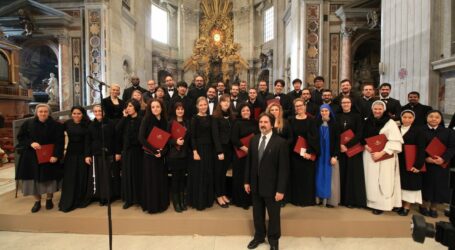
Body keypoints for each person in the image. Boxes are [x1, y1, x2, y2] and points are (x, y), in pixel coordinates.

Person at [244, 113, 289, 250]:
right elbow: (249, 162)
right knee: (257, 213)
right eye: (261, 122)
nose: (262, 124)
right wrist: (247, 181)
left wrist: (281, 190)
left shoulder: (281, 142)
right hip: (255, 185)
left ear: (272, 124)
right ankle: (259, 236)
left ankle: (274, 240)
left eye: (266, 122)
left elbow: (284, 169)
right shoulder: (254, 140)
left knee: (274, 215)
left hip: (273, 187)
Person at [16, 104, 64, 213]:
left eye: (45, 111)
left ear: (49, 113)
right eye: (40, 111)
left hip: (49, 156)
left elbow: (59, 142)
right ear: (36, 113)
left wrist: (56, 155)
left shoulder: (56, 125)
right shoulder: (28, 124)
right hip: (31, 157)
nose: (43, 113)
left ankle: (49, 199)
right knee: (33, 181)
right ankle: (37, 201)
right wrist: (31, 143)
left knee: (49, 180)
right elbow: (21, 137)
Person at [362, 100, 403, 215]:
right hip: (369, 155)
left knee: (384, 180)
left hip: (385, 156)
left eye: (380, 109)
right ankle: (370, 202)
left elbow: (395, 141)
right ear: (372, 109)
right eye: (375, 109)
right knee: (370, 178)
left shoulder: (390, 123)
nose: (377, 111)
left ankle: (381, 205)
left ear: (384, 110)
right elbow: (362, 136)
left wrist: (382, 152)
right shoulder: (367, 121)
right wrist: (366, 146)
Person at [420, 110, 455, 218]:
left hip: (441, 164)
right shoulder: (420, 130)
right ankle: (424, 205)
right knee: (426, 184)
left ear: (440, 119)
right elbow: (418, 147)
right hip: (426, 163)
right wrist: (426, 158)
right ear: (426, 118)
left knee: (438, 185)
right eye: (431, 116)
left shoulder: (448, 132)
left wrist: (443, 158)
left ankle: (434, 207)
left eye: (437, 117)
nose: (433, 119)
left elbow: (452, 147)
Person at [85, 105, 121, 206]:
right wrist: (87, 155)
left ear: (104, 112)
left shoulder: (111, 123)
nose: (97, 113)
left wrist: (118, 152)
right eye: (95, 111)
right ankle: (101, 196)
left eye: (99, 111)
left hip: (109, 153)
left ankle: (109, 196)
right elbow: (88, 141)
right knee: (99, 176)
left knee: (109, 175)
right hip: (96, 154)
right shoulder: (91, 125)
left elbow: (116, 139)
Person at [138, 99, 169, 213]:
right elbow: (141, 138)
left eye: (158, 107)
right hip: (149, 155)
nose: (155, 109)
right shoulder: (146, 119)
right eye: (153, 107)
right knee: (151, 180)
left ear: (162, 108)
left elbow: (167, 138)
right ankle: (152, 205)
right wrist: (155, 150)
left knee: (160, 179)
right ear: (150, 109)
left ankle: (161, 204)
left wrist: (163, 151)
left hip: (160, 156)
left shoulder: (165, 121)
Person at [59, 106, 91, 212]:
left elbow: (88, 141)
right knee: (70, 176)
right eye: (74, 113)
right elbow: (57, 134)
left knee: (81, 176)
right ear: (71, 114)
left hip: (83, 153)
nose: (76, 115)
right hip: (71, 153)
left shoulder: (87, 124)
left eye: (79, 113)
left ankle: (80, 198)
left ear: (83, 114)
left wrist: (87, 155)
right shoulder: (67, 123)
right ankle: (69, 199)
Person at [337, 96, 366, 208]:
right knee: (342, 174)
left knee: (352, 175)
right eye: (343, 102)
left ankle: (351, 200)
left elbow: (359, 133)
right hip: (340, 149)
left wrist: (347, 145)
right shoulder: (337, 116)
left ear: (351, 103)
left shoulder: (357, 116)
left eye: (347, 102)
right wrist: (340, 145)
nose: (345, 104)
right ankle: (341, 199)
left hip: (353, 149)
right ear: (341, 104)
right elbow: (335, 132)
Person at [288, 98, 318, 206]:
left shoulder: (311, 120)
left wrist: (309, 152)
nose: (299, 108)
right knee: (296, 177)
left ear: (305, 107)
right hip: (295, 153)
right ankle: (296, 199)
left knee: (307, 177)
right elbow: (290, 136)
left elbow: (315, 137)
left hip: (307, 154)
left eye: (301, 105)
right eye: (296, 106)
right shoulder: (291, 120)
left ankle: (307, 200)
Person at [188, 97, 216, 210]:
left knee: (208, 173)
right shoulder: (194, 118)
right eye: (201, 105)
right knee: (199, 175)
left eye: (205, 104)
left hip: (209, 149)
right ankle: (198, 202)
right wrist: (195, 152)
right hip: (198, 149)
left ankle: (207, 200)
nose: (203, 107)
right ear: (197, 106)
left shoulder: (211, 118)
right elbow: (192, 137)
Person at [397, 110, 426, 216]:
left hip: (412, 161)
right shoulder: (397, 129)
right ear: (401, 118)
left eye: (410, 117)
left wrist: (418, 164)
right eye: (404, 117)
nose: (407, 119)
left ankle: (407, 206)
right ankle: (400, 203)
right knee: (401, 183)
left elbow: (421, 148)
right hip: (399, 160)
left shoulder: (418, 131)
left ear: (413, 119)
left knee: (411, 184)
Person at [116, 99, 143, 209]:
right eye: (127, 106)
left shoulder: (141, 119)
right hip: (127, 151)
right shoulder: (125, 120)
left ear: (135, 107)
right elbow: (117, 130)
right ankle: (129, 199)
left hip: (139, 151)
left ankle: (139, 198)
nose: (128, 108)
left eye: (130, 106)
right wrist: (124, 117)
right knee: (127, 175)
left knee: (138, 174)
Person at [231, 103, 258, 209]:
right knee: (240, 177)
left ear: (250, 111)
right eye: (243, 111)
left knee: (251, 176)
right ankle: (241, 201)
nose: (246, 112)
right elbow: (234, 138)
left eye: (247, 110)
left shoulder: (255, 122)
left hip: (253, 154)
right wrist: (245, 149)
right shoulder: (237, 123)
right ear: (240, 112)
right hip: (241, 154)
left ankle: (251, 200)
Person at [167, 102, 190, 212]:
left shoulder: (187, 122)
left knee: (182, 179)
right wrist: (175, 141)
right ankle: (176, 202)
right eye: (178, 109)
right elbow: (166, 139)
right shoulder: (171, 123)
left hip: (184, 154)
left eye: (182, 109)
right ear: (175, 110)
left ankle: (182, 200)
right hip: (174, 155)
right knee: (175, 179)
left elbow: (189, 138)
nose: (180, 111)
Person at [212, 94, 235, 208]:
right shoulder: (215, 116)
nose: (226, 103)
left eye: (228, 101)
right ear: (220, 103)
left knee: (224, 173)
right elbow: (215, 135)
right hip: (220, 149)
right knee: (218, 173)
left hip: (229, 148)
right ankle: (218, 195)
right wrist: (219, 151)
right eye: (224, 101)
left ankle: (223, 193)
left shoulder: (231, 116)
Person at [315, 104, 340, 207]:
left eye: (326, 111)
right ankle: (318, 198)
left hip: (329, 154)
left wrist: (335, 156)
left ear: (330, 112)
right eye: (322, 111)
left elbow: (337, 141)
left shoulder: (334, 124)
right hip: (319, 154)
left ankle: (329, 200)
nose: (324, 113)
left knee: (330, 177)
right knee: (318, 175)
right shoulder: (316, 123)